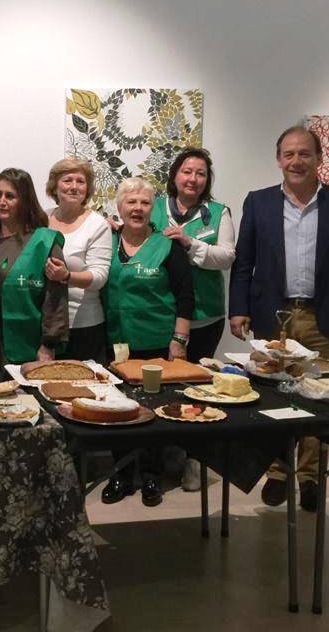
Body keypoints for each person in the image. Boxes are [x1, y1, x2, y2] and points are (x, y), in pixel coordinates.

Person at [230, 125, 329, 512]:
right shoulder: (258, 202)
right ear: (278, 160)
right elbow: (244, 262)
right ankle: (278, 472)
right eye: (289, 154)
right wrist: (238, 308)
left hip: (324, 316)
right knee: (275, 393)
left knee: (319, 396)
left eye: (304, 153)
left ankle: (310, 477)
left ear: (319, 158)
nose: (296, 161)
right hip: (272, 315)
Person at [101, 177, 194, 507]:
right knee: (116, 408)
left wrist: (179, 340)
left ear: (152, 208)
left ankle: (152, 474)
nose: (137, 208)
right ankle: (122, 474)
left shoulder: (167, 245)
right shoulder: (106, 241)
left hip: (156, 343)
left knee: (153, 410)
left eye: (144, 202)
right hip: (114, 342)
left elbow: (186, 296)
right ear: (119, 207)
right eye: (131, 202)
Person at [0, 168, 67, 380]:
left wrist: (49, 344)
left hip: (23, 342)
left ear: (25, 200)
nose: (2, 201)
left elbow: (55, 298)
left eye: (10, 196)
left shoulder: (44, 241)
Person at [151, 148, 236, 363]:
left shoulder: (219, 212)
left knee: (199, 375)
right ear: (174, 176)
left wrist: (190, 243)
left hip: (205, 315)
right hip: (159, 313)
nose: (193, 179)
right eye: (187, 172)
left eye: (201, 174)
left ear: (207, 180)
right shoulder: (153, 207)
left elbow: (227, 258)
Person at [43, 158, 111, 362]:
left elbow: (100, 277)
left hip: (83, 326)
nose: (74, 187)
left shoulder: (98, 225)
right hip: (45, 325)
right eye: (67, 180)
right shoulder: (41, 219)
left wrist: (67, 276)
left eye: (80, 181)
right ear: (54, 187)